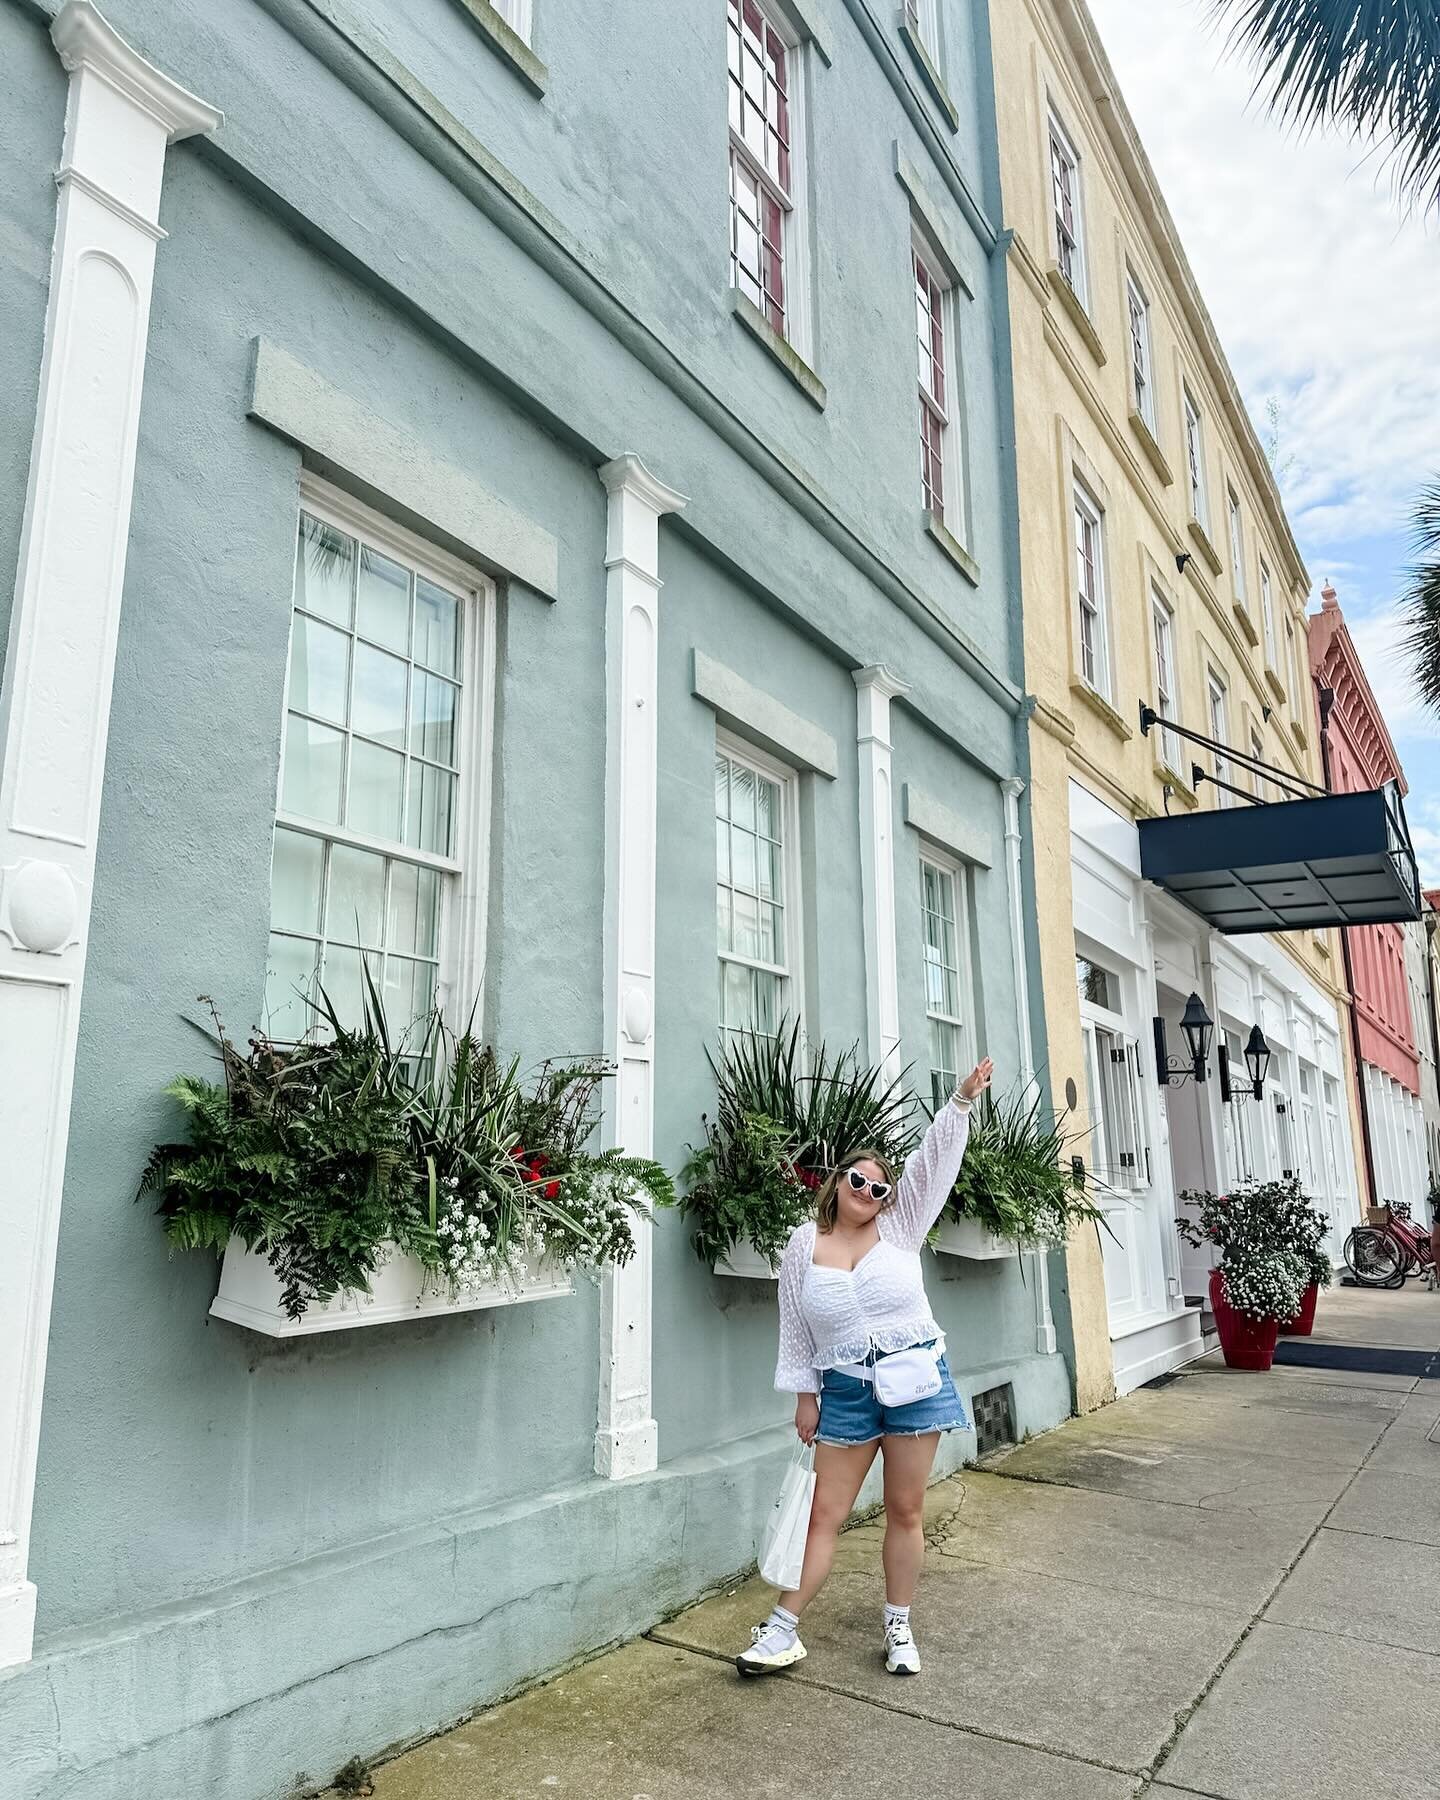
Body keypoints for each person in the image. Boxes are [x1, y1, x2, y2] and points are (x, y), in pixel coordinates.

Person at [737, 1057, 994, 1679]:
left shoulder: (903, 1227)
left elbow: (934, 1165)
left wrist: (959, 1104)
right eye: (859, 1180)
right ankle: (781, 1631)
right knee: (824, 1515)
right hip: (845, 1394)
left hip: (914, 1384)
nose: (869, 1193)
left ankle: (899, 1625)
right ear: (837, 1180)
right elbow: (794, 1326)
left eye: (880, 1187)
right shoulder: (803, 1244)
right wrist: (804, 1395)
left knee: (906, 1511)